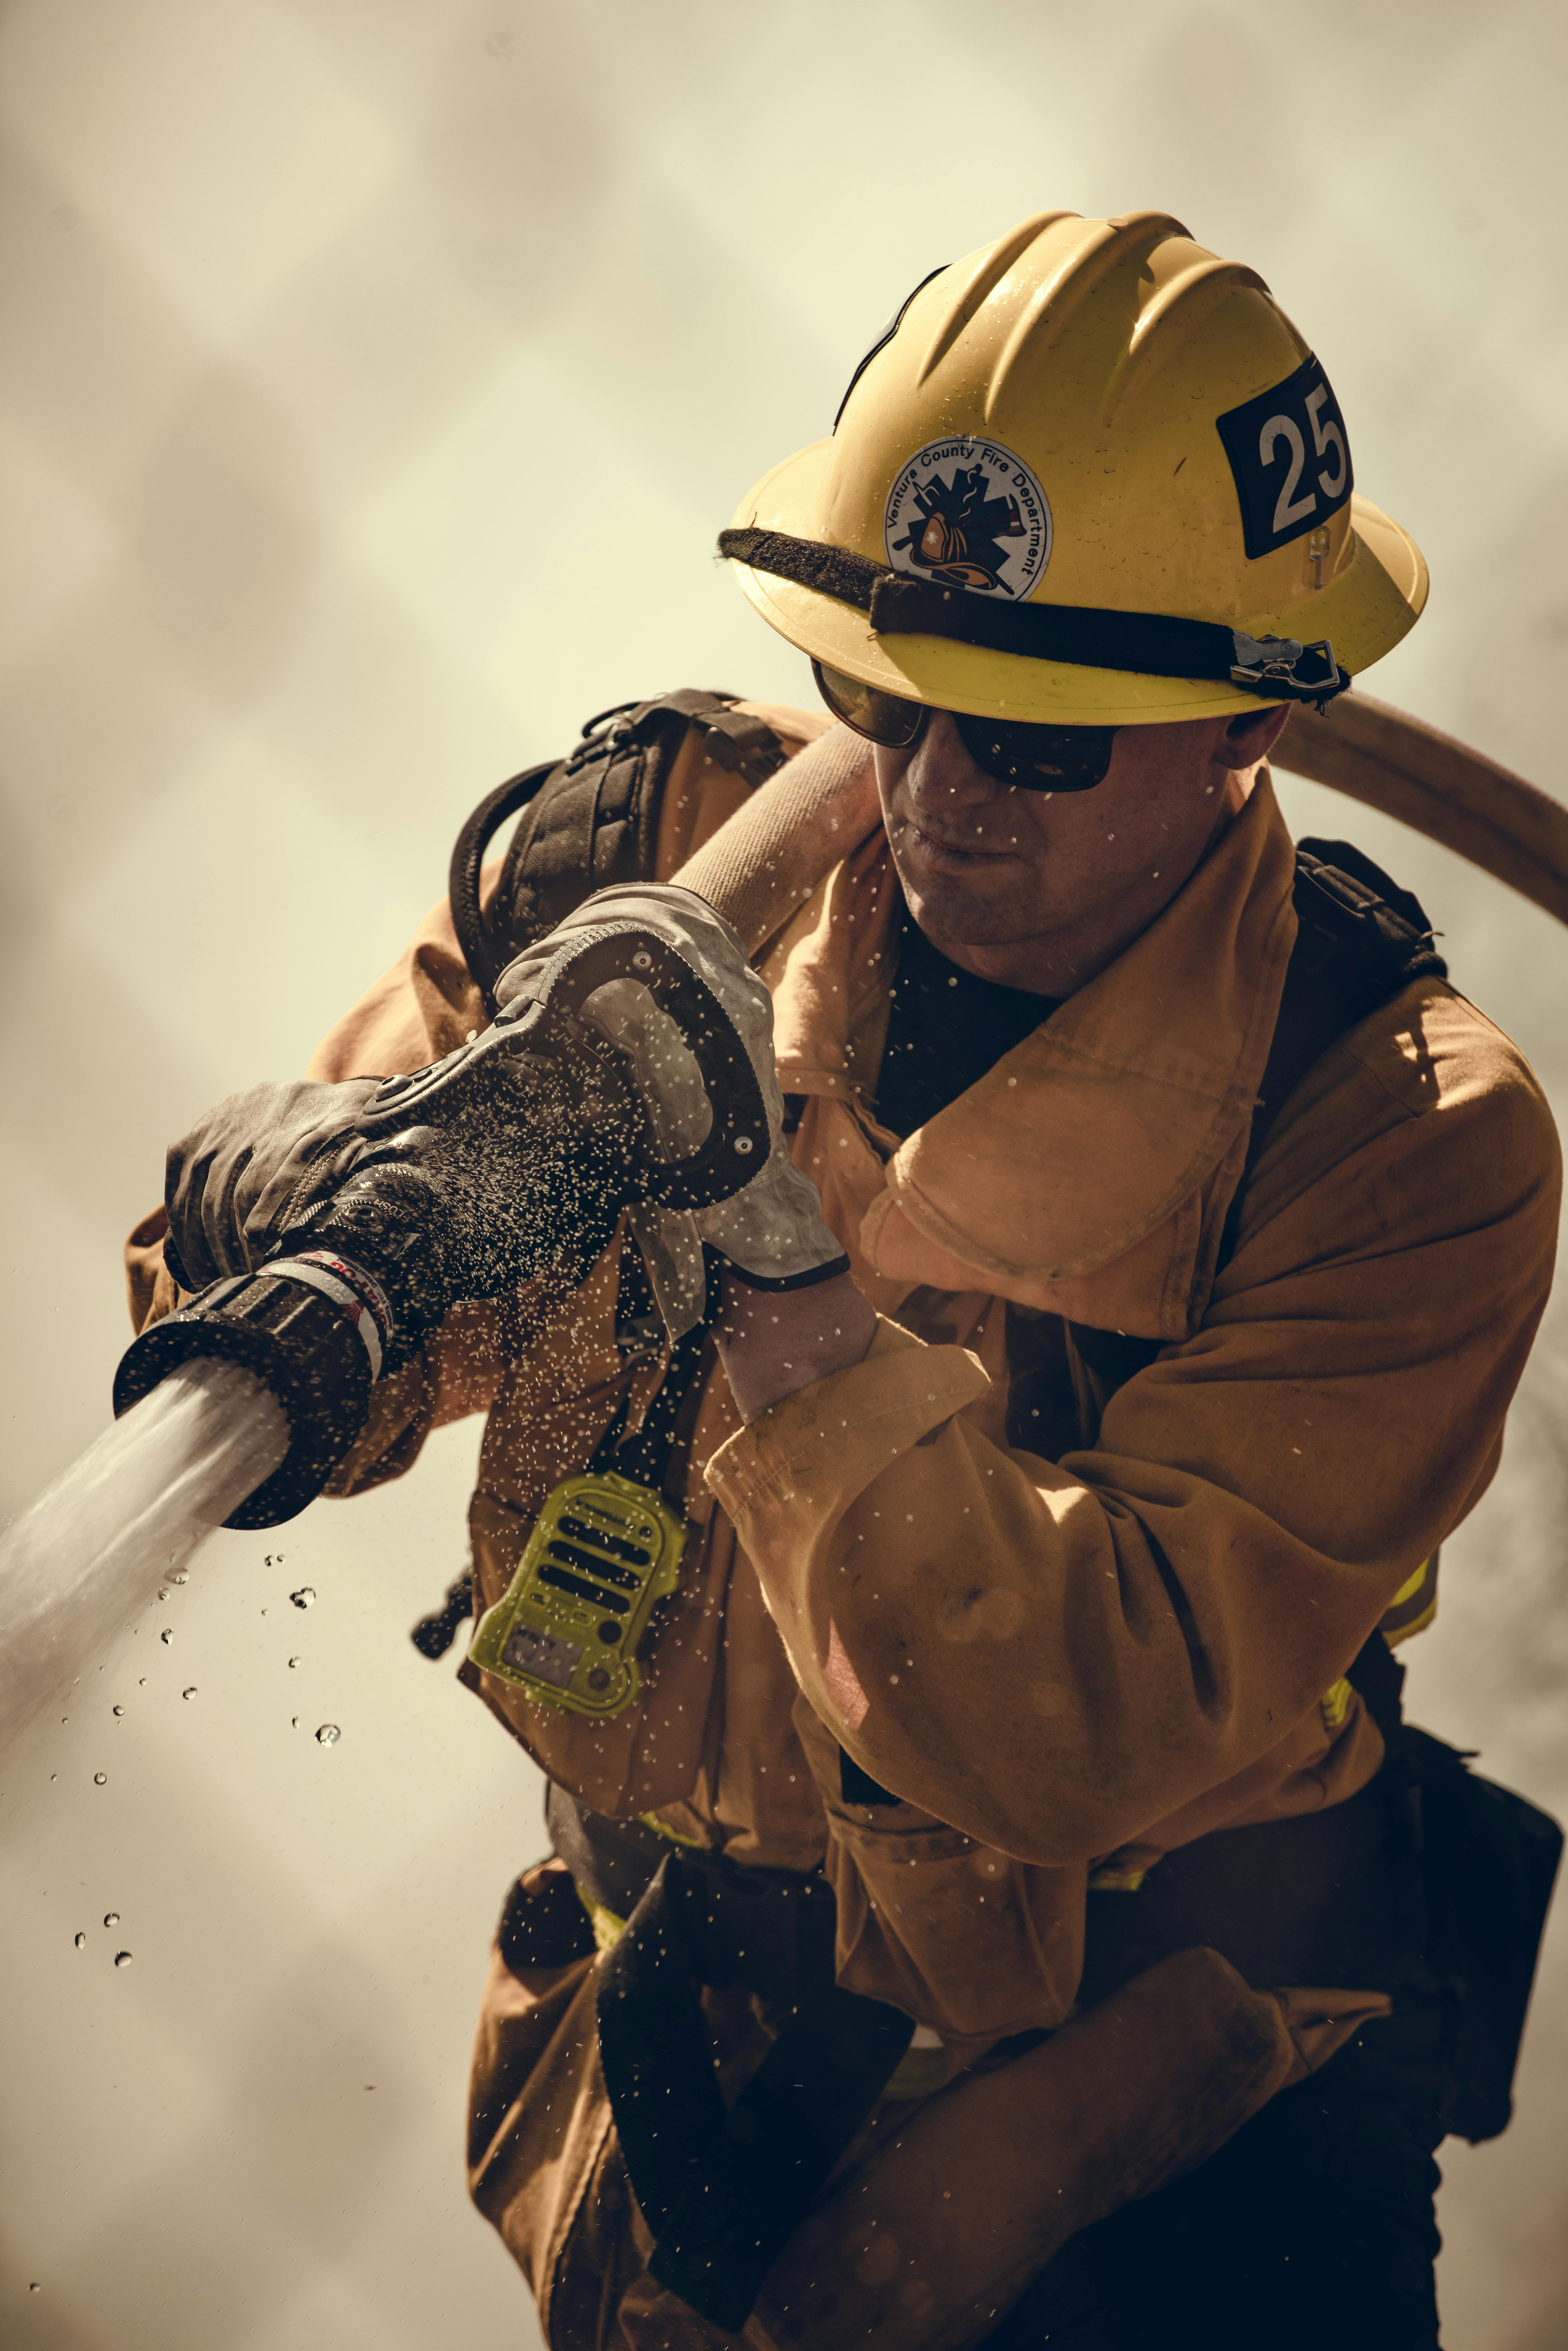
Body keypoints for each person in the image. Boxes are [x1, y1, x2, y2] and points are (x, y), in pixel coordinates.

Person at [130, 211, 1560, 2348]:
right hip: (683, 2084)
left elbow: (1064, 1727)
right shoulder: (652, 857)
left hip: (1175, 2175)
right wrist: (317, 1189)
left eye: (1038, 740)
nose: (929, 796)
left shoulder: (1399, 1137)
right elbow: (270, 1259)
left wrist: (767, 1259)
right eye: (878, 697)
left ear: (1250, 728)